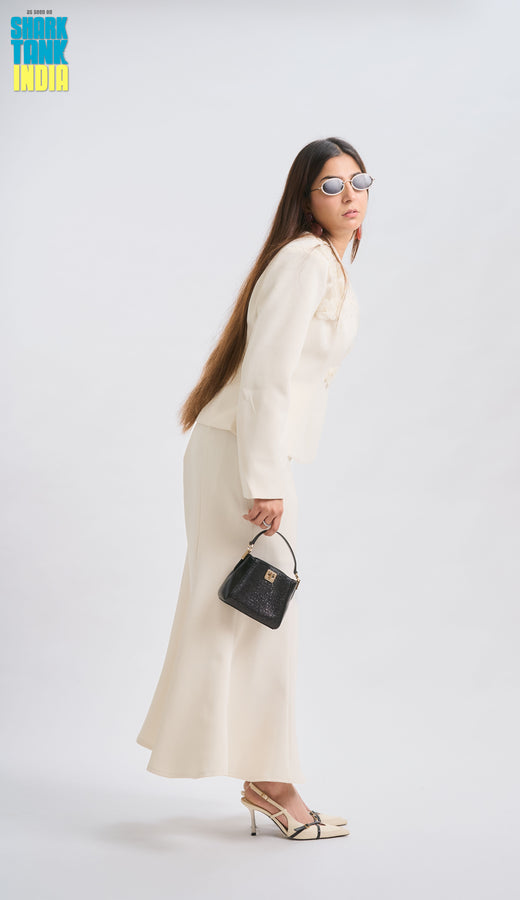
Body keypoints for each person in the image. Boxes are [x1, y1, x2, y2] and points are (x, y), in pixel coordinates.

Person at [136, 136, 373, 841]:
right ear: (305, 198)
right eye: (332, 186)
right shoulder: (304, 260)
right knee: (254, 612)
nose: (351, 195)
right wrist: (266, 479)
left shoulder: (325, 260)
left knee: (251, 613)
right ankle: (272, 784)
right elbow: (268, 372)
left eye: (359, 181)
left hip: (248, 450)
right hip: (243, 456)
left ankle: (265, 778)